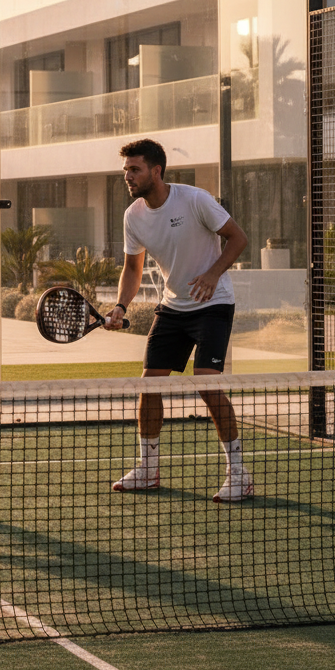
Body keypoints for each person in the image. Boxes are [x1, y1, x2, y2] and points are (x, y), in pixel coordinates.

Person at [104, 138, 253, 503]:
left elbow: (238, 238)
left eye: (134, 169)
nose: (128, 176)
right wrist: (121, 305)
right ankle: (148, 469)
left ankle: (239, 474)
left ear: (156, 170)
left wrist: (213, 275)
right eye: (125, 170)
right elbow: (132, 268)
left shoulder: (195, 199)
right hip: (173, 306)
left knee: (206, 384)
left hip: (213, 302)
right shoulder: (134, 216)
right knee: (149, 386)